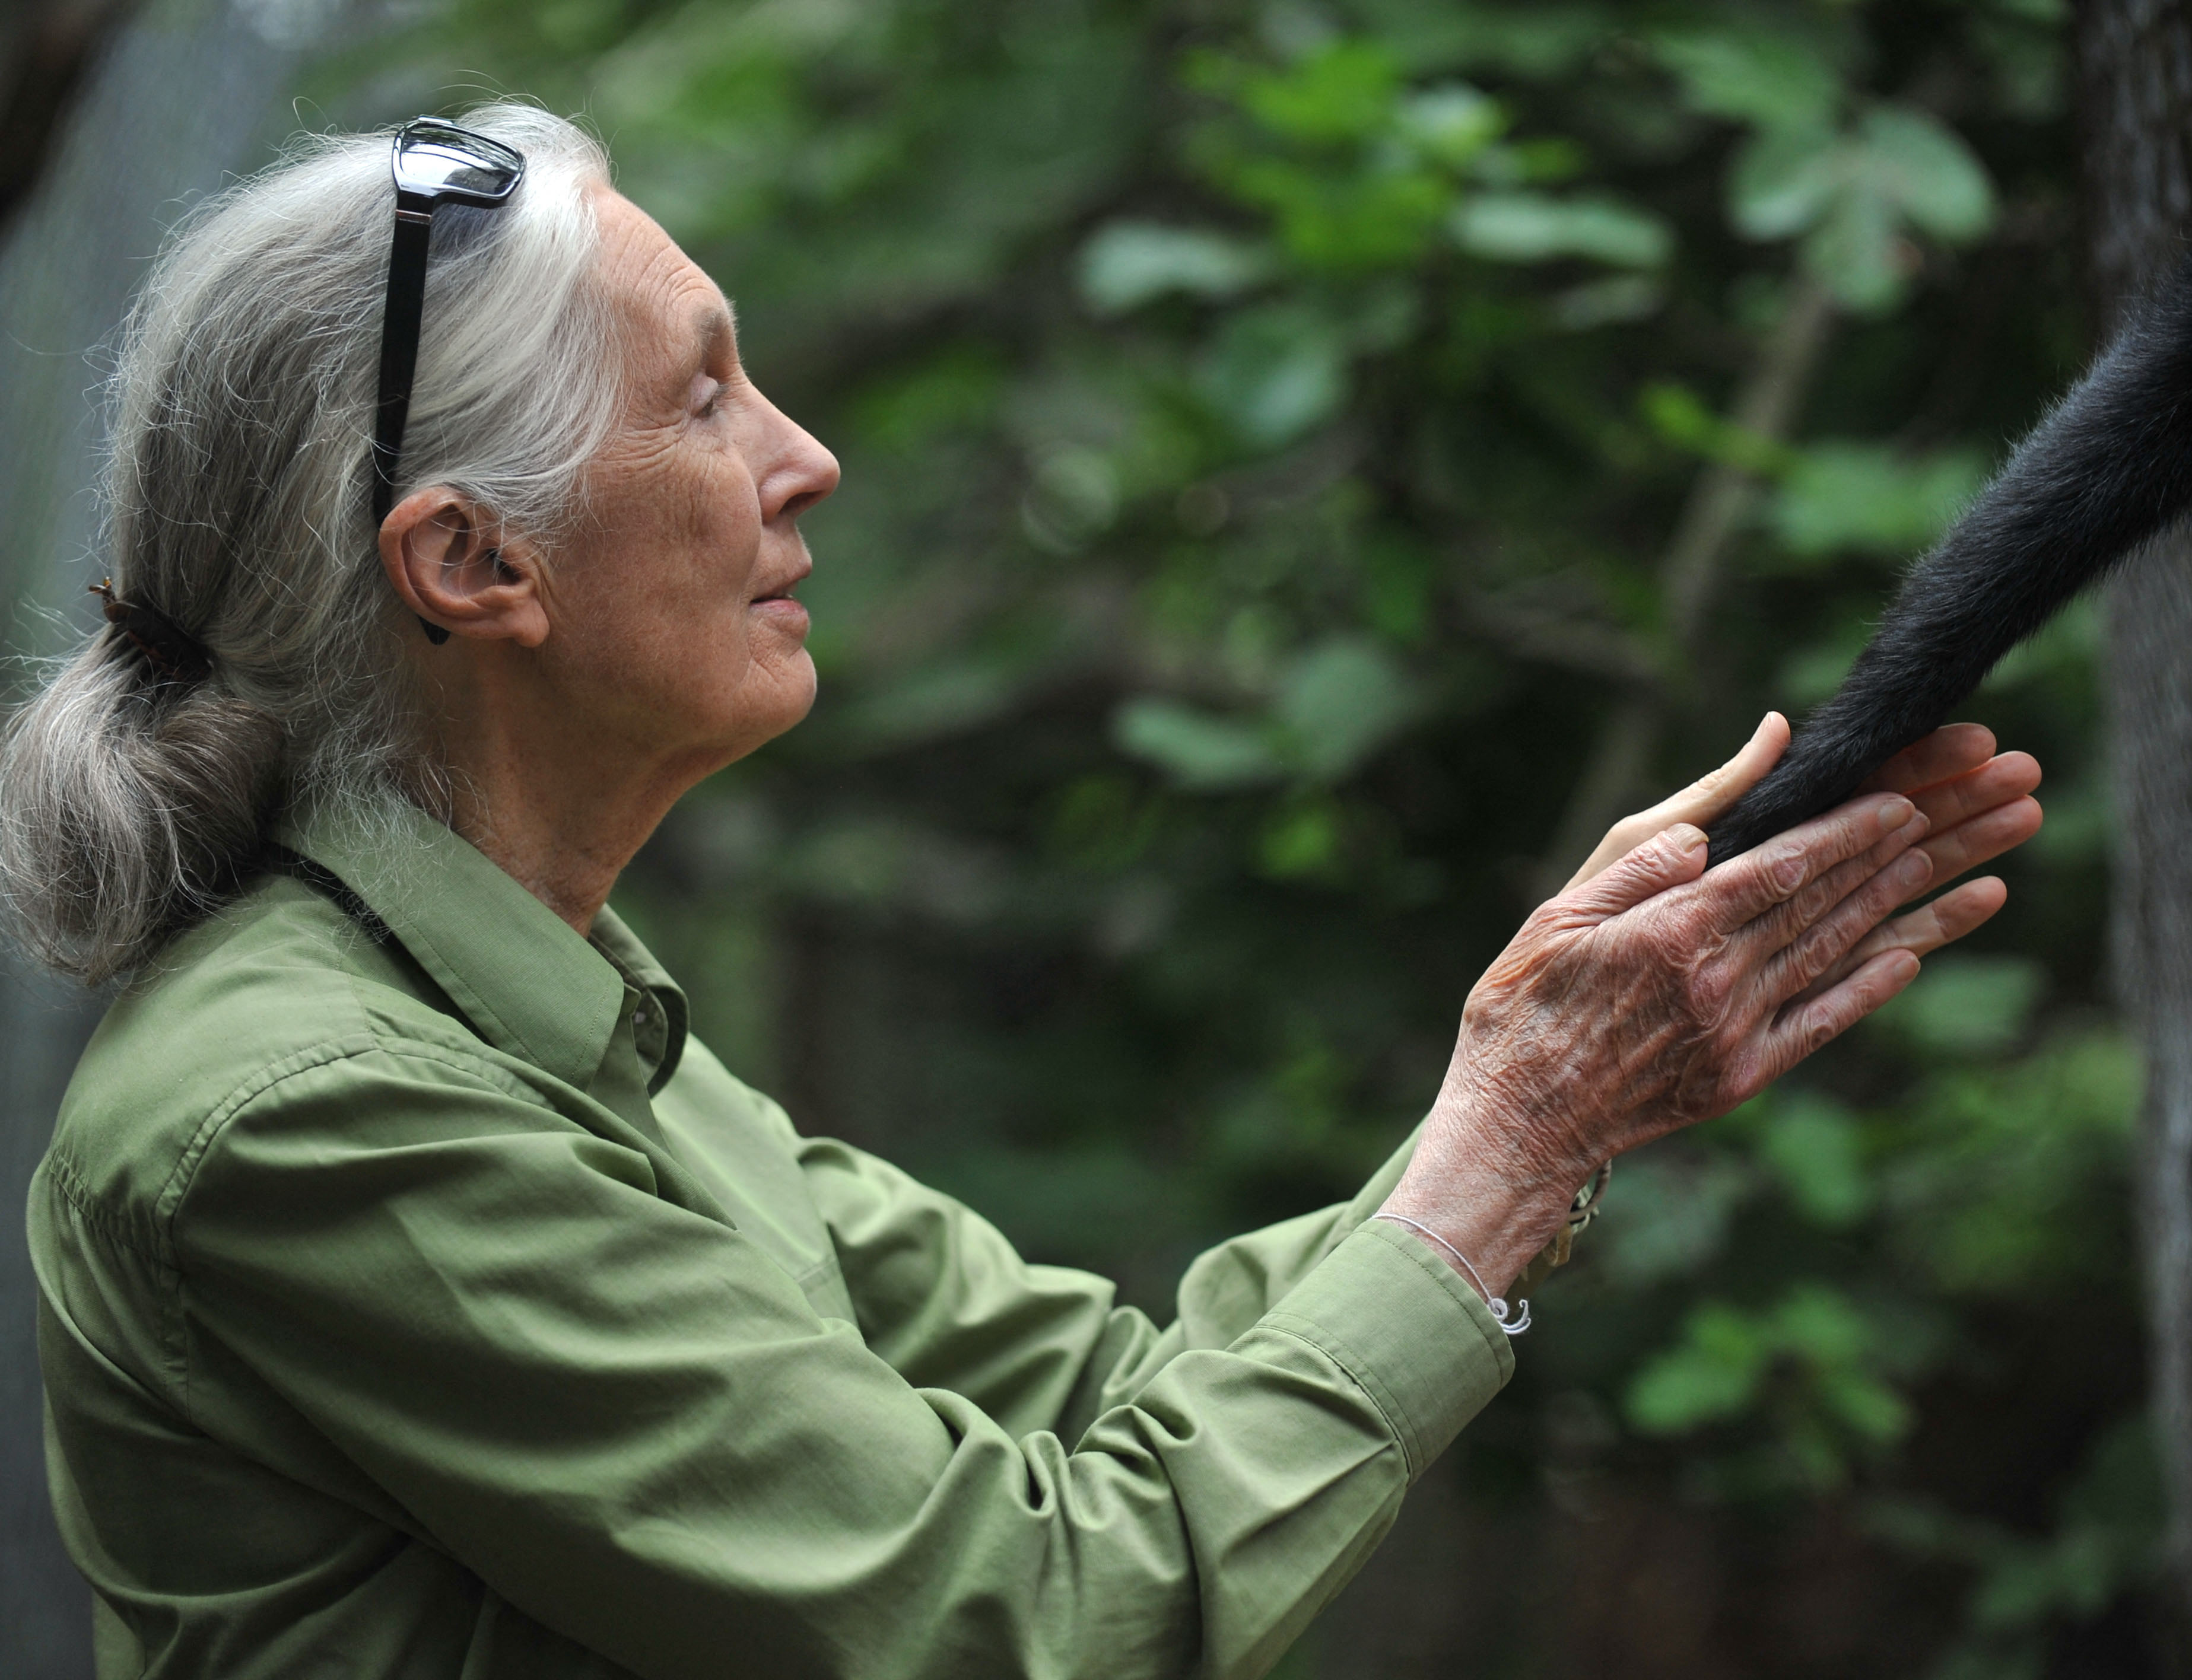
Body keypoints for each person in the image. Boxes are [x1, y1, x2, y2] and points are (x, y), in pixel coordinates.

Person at [0, 107, 2044, 1679]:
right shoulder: (312, 1112)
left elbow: (1123, 1406)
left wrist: (1548, 1081)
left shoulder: (542, 1009)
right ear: (473, 566)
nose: (803, 458)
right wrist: (1520, 1129)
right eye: (706, 396)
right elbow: (1023, 1617)